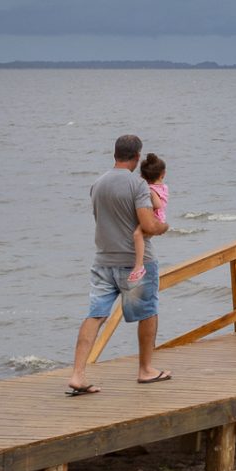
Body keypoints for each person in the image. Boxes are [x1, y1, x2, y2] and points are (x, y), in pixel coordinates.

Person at [66, 134, 172, 395]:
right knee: (147, 312)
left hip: (103, 261)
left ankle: (77, 374)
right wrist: (164, 227)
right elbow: (148, 225)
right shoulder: (138, 185)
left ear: (115, 154)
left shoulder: (97, 184)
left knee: (95, 315)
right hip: (134, 263)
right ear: (137, 156)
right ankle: (145, 369)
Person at [127, 154, 169, 288]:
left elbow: (157, 204)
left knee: (137, 235)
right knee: (142, 239)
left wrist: (148, 194)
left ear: (142, 176)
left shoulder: (150, 189)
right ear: (163, 174)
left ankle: (139, 266)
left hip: (154, 218)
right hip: (160, 218)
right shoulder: (163, 187)